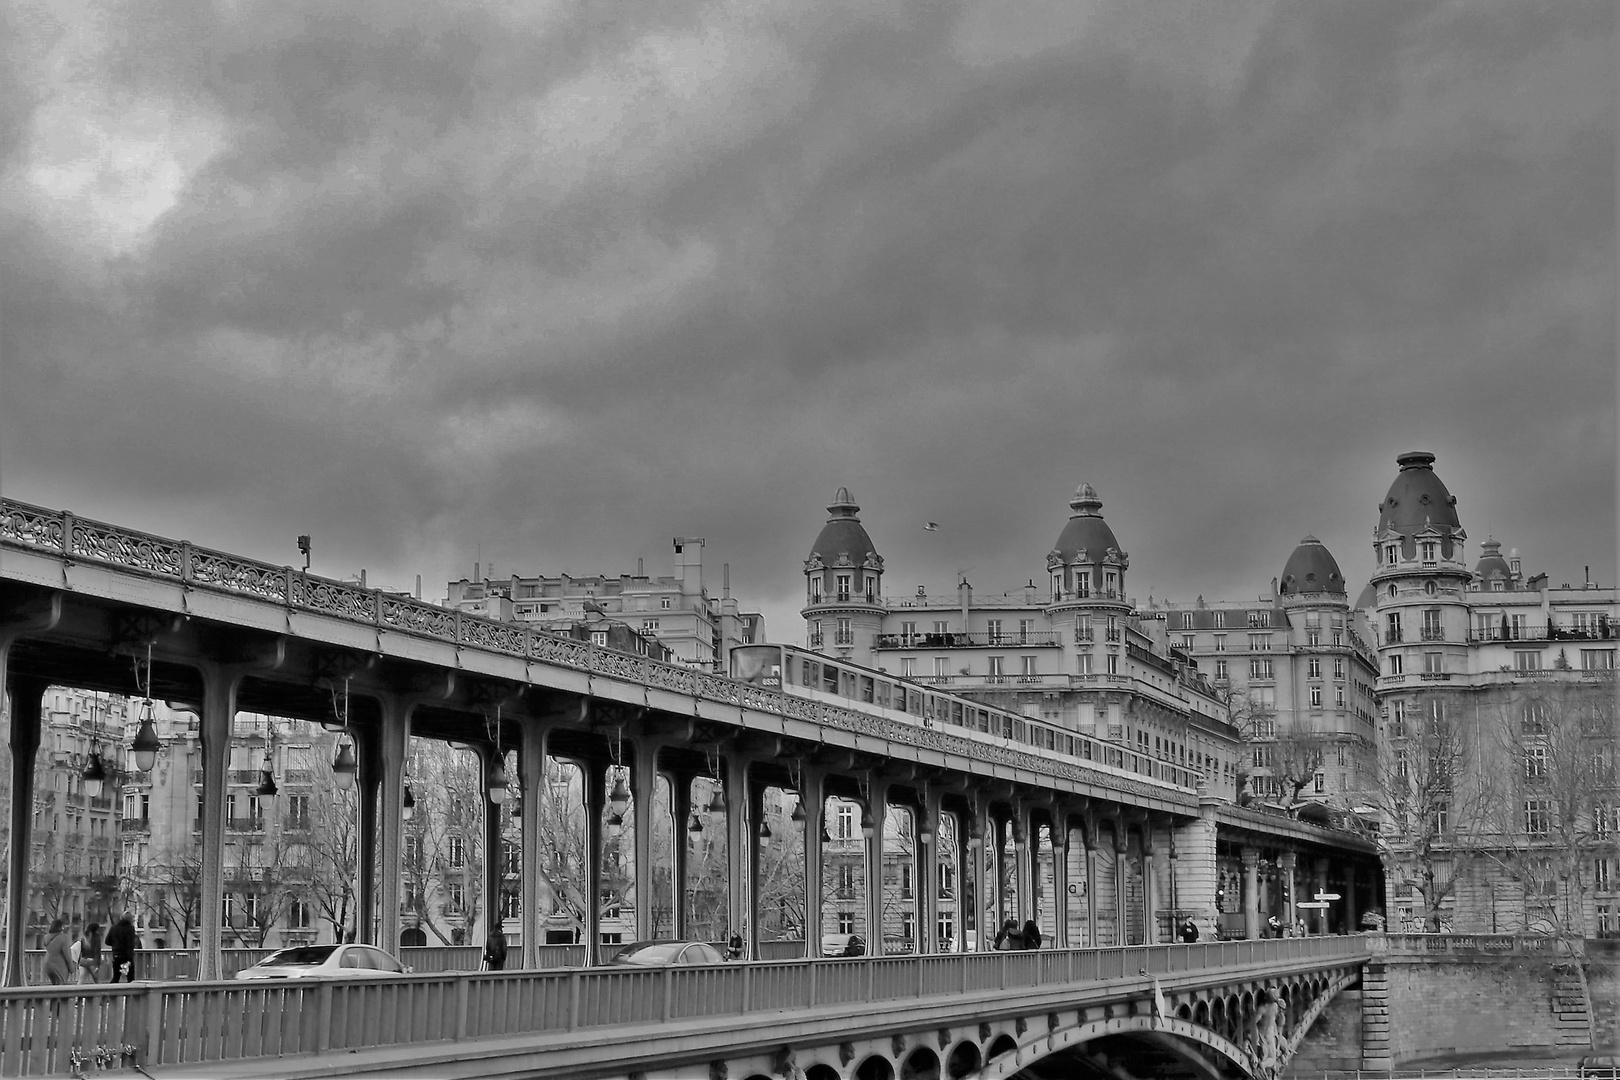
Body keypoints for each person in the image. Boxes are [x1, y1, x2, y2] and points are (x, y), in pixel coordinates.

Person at [106, 914, 139, 983]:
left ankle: (111, 992)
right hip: (126, 957)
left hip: (116, 956)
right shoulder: (130, 928)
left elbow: (107, 941)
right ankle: (130, 993)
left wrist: (116, 945)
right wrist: (130, 958)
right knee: (130, 978)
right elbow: (130, 944)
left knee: (116, 977)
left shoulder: (114, 927)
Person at [42, 919, 73, 985]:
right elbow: (67, 954)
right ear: (60, 927)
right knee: (61, 985)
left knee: (54, 984)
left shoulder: (46, 937)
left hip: (48, 964)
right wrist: (71, 968)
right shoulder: (63, 938)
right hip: (59, 966)